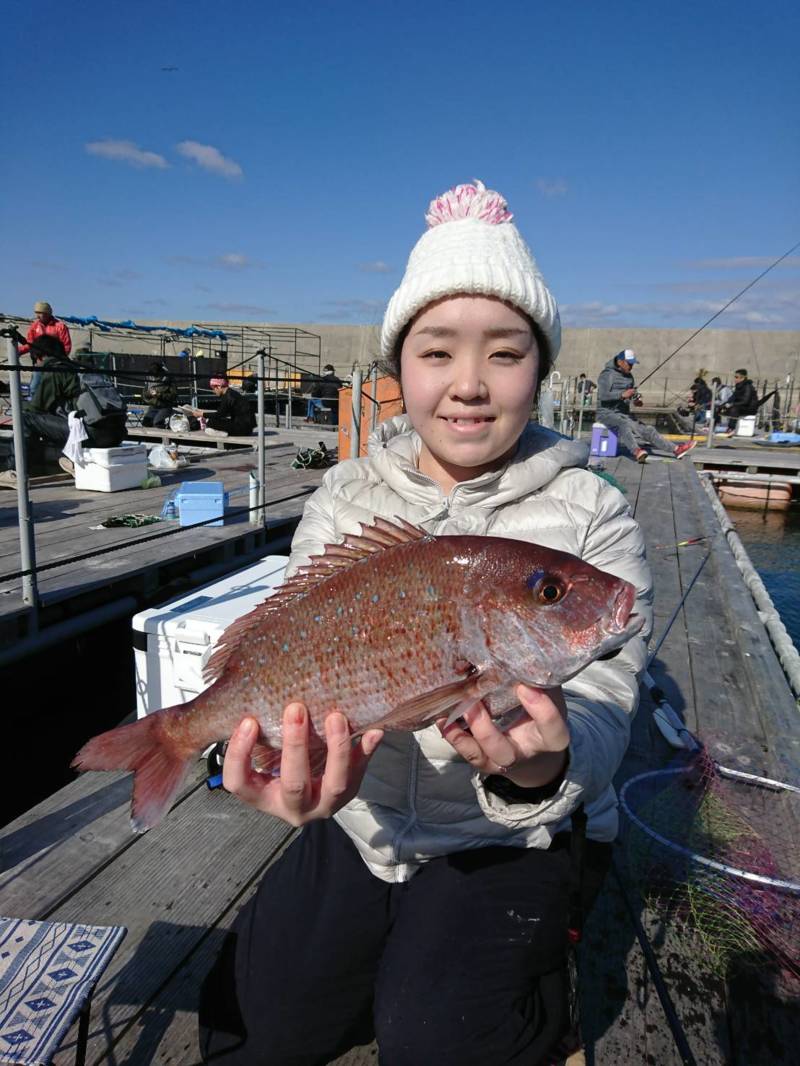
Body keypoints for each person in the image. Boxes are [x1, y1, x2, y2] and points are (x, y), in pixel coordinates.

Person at [198, 179, 654, 1065]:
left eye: (507, 354)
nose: (471, 384)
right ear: (398, 370)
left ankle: (539, 988)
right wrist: (249, 758)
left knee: (438, 1037)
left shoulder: (593, 519)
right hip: (359, 826)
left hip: (503, 838)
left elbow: (605, 695)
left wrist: (547, 766)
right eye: (437, 353)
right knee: (260, 1023)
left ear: (543, 369)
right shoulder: (345, 496)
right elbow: (285, 646)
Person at [0, 335, 80, 486]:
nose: (36, 365)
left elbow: (37, 406)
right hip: (104, 431)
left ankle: (13, 471)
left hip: (81, 431)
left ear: (40, 356)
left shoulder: (55, 370)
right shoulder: (76, 367)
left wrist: (18, 405)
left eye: (34, 360)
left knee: (25, 419)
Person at [597, 349, 697, 462]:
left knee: (647, 429)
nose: (631, 367)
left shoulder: (629, 377)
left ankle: (676, 449)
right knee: (623, 424)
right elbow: (603, 396)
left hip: (623, 413)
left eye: (632, 364)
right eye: (629, 363)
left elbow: (631, 393)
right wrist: (622, 395)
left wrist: (636, 399)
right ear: (620, 362)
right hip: (606, 413)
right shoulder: (607, 375)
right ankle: (637, 451)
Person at [141, 360, 178, 427]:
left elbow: (174, 396)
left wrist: (159, 395)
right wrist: (150, 393)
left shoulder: (169, 379)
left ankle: (170, 417)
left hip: (165, 406)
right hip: (153, 406)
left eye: (156, 376)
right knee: (146, 423)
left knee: (157, 423)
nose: (155, 378)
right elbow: (144, 395)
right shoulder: (149, 379)